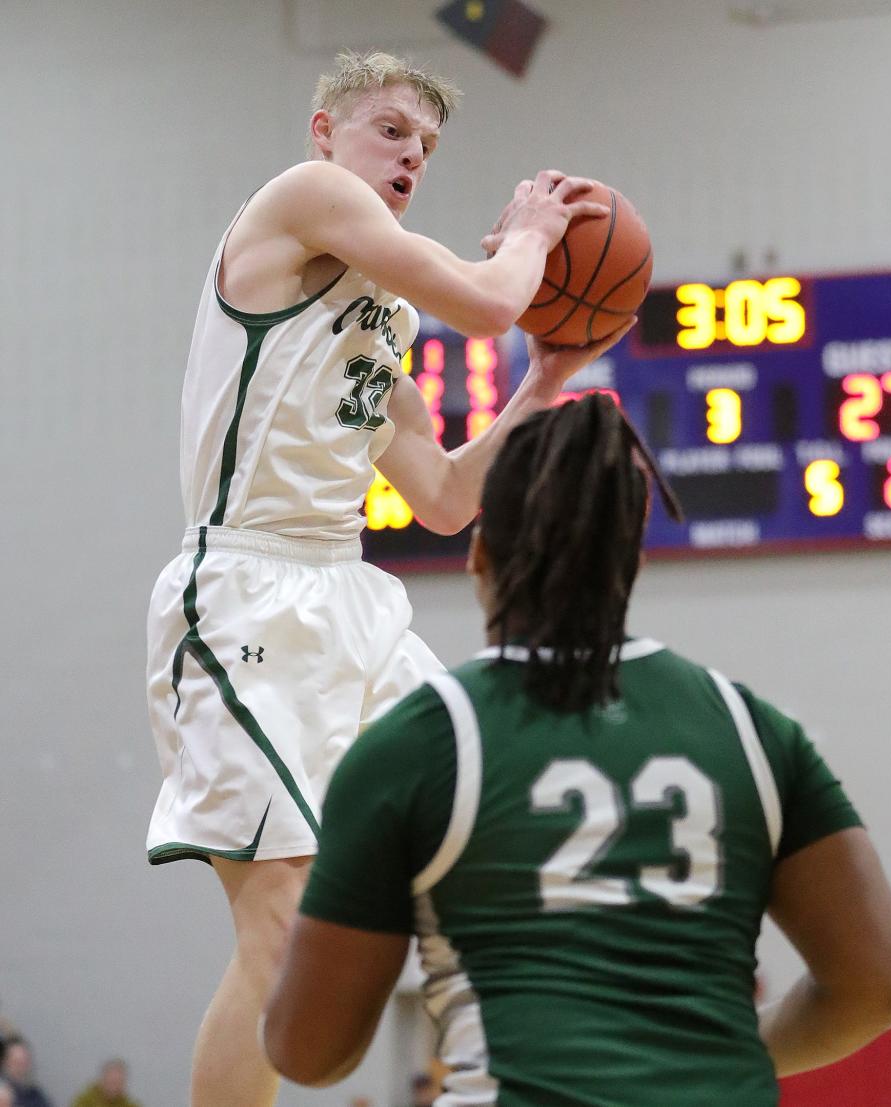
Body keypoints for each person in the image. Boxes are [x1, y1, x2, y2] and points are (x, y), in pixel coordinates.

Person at [145, 48, 624, 1107]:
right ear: (327, 130)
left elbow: (447, 499)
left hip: (349, 600)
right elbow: (491, 303)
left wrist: (544, 385)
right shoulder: (303, 196)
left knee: (478, 839)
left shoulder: (383, 319)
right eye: (393, 130)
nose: (413, 155)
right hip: (243, 592)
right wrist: (536, 242)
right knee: (280, 932)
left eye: (427, 146)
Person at [262, 394, 891, 1105]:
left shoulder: (419, 744)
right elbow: (878, 984)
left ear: (478, 556)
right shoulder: (751, 728)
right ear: (630, 558)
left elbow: (310, 1050)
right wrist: (712, 1053)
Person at [0, 1038, 54, 1107]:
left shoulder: (35, 1093)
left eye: (25, 1061)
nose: (22, 1068)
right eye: (17, 1063)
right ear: (5, 1063)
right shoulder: (3, 1094)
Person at [70, 1060, 140, 1107]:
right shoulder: (85, 1101)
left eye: (119, 1083)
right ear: (103, 1080)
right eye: (112, 1082)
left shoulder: (129, 1104)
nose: (115, 1088)